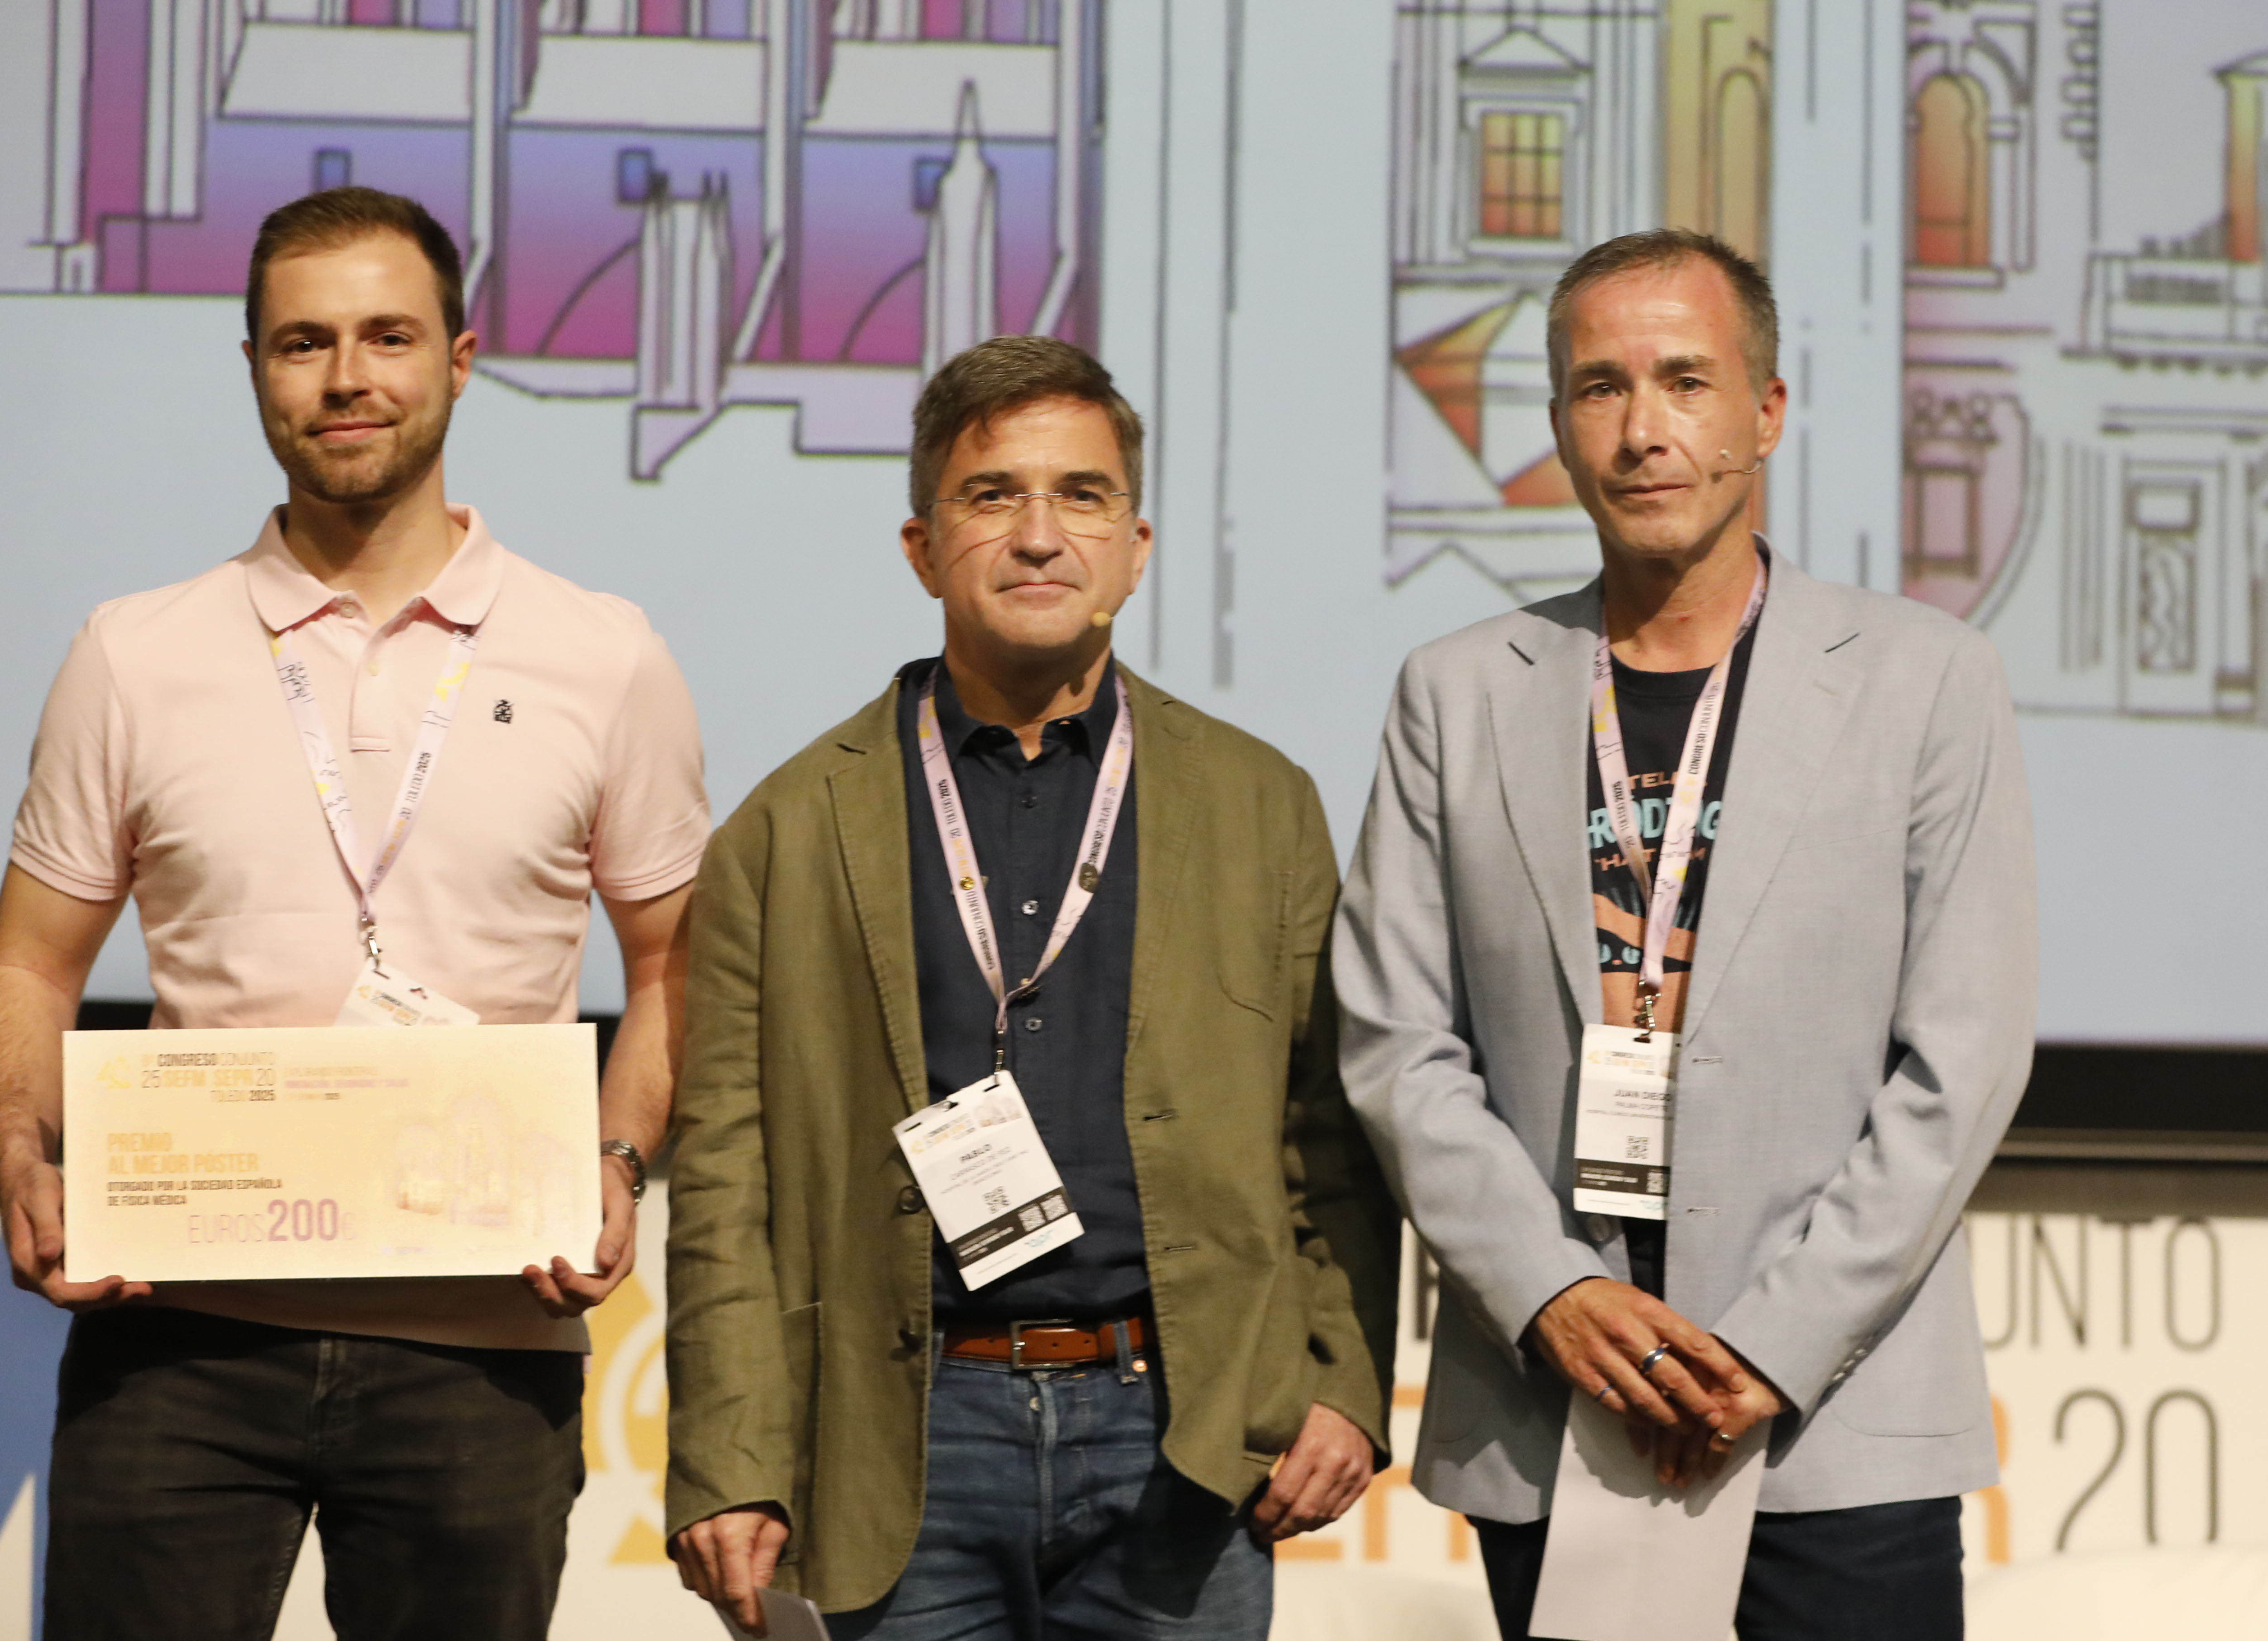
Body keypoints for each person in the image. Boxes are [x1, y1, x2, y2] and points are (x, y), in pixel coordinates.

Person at [0, 187, 708, 1640]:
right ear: (253, 366)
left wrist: (619, 1159)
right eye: (304, 343)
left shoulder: (603, 654)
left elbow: (676, 964)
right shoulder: (134, 653)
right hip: (177, 1333)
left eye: (389, 337)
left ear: (462, 360)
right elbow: (27, 969)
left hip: (483, 1342)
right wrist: (18, 1148)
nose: (347, 378)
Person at [1334, 230, 2035, 1640]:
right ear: (1556, 425)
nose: (1642, 429)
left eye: (1684, 381)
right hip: (1559, 1402)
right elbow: (1396, 1044)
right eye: (1600, 387)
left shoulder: (1926, 681)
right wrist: (1550, 1291)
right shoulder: (1455, 693)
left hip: (1835, 1420)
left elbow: (1960, 1060)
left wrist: (1774, 1345)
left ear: (1763, 412)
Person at [663, 335, 1398, 1639]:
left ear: (1137, 545)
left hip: (1186, 1432)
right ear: (921, 547)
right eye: (992, 496)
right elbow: (726, 1175)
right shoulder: (785, 830)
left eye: (1082, 496)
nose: (1040, 536)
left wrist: (1342, 1379)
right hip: (903, 1441)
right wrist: (729, 1454)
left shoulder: (1261, 804)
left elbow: (1327, 1134)